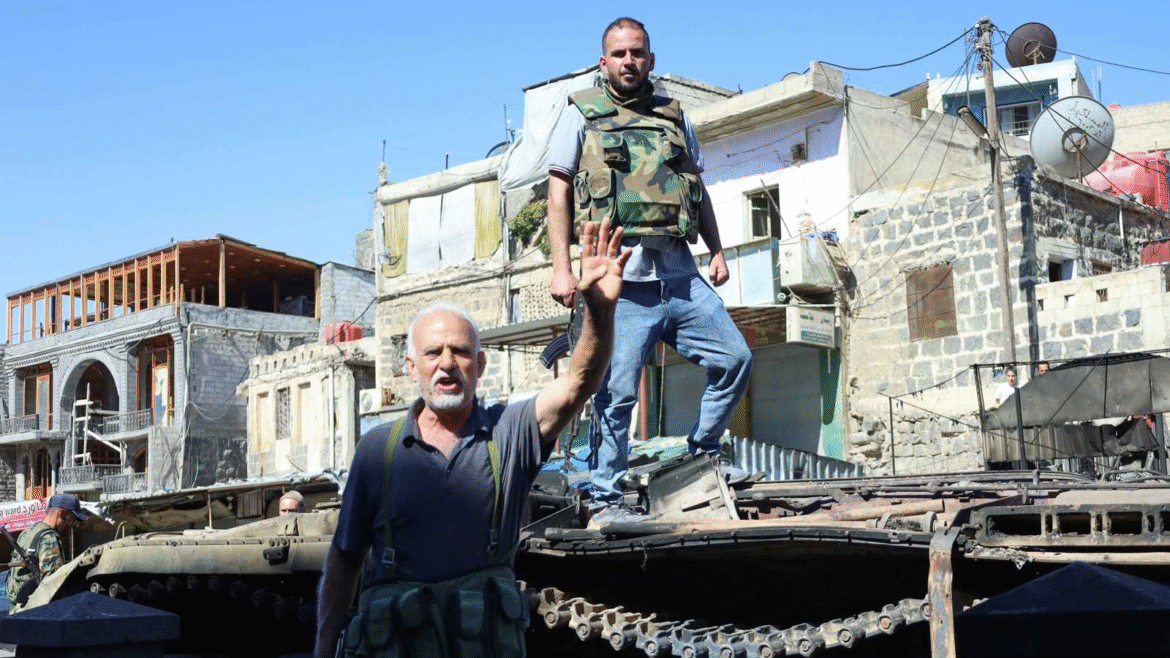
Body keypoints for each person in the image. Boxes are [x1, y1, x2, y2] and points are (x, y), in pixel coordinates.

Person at [314, 220, 629, 658]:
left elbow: (579, 381)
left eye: (460, 352)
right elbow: (346, 557)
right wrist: (324, 647)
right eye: (432, 353)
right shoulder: (377, 451)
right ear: (411, 367)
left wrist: (599, 311)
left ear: (479, 365)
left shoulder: (510, 432)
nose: (447, 363)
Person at [546, 16, 753, 524]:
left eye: (637, 53)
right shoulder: (580, 114)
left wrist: (718, 250)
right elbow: (558, 192)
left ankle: (703, 455)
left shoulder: (674, 115)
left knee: (735, 359)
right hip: (620, 283)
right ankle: (605, 497)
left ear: (650, 59)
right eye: (619, 54)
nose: (629, 61)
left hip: (679, 275)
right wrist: (561, 269)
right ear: (603, 62)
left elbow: (696, 188)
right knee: (616, 394)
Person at [5, 493, 88, 611]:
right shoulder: (49, 538)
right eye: (72, 519)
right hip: (33, 610)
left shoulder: (27, 532)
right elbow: (54, 584)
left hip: (15, 608)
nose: (72, 524)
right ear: (61, 514)